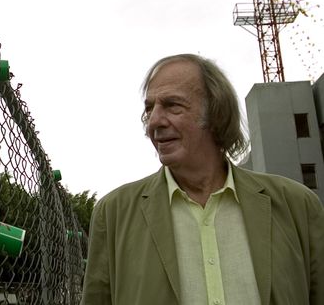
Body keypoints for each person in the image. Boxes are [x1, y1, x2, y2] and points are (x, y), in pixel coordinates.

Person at [81, 53, 324, 305]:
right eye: (149, 108)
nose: (154, 121)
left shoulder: (297, 206)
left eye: (172, 105)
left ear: (216, 113)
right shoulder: (114, 214)